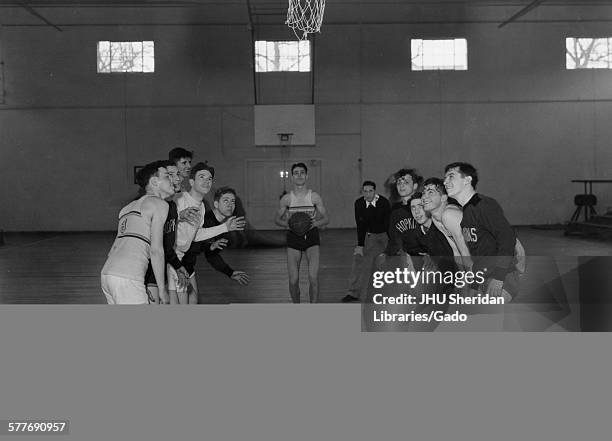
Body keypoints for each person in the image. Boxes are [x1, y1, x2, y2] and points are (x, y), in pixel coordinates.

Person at [171, 162, 246, 304]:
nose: (207, 181)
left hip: (185, 263)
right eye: (202, 177)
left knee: (192, 300)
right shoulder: (179, 199)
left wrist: (224, 229)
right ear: (192, 181)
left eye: (210, 178)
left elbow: (197, 236)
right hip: (174, 261)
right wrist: (179, 215)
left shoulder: (202, 209)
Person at [443, 162, 520, 300]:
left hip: (501, 278)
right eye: (445, 178)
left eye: (451, 176)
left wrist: (499, 277)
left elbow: (507, 239)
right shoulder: (466, 212)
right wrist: (473, 284)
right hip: (482, 277)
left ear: (467, 180)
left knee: (486, 317)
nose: (445, 182)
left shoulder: (484, 205)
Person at [101, 160, 173, 304]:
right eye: (167, 176)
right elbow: (156, 251)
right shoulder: (159, 204)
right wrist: (162, 290)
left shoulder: (126, 208)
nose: (172, 180)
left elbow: (118, 246)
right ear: (154, 182)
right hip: (128, 276)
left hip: (108, 274)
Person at [275, 162, 329, 303]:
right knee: (293, 280)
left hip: (311, 237)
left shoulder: (314, 197)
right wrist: (287, 224)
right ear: (292, 177)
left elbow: (326, 219)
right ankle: (297, 307)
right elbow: (277, 219)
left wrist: (313, 224)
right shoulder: (286, 199)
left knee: (313, 277)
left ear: (307, 176)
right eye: (296, 173)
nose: (299, 175)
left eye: (302, 173)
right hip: (293, 237)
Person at [143, 161, 197, 302]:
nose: (177, 179)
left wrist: (178, 267)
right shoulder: (151, 205)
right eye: (169, 175)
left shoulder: (171, 206)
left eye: (177, 174)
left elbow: (167, 246)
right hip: (144, 274)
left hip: (160, 271)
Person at [182, 187, 250, 287]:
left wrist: (229, 272)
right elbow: (189, 244)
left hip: (188, 265)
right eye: (225, 200)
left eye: (233, 201)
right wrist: (209, 246)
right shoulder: (204, 220)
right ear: (216, 204)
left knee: (192, 300)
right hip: (177, 263)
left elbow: (212, 255)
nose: (230, 204)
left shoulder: (224, 226)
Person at [342, 180, 390, 302]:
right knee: (359, 260)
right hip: (370, 236)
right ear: (362, 192)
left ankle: (390, 292)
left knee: (388, 262)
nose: (368, 194)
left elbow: (388, 223)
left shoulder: (384, 203)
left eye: (370, 191)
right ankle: (353, 292)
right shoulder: (359, 204)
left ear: (375, 191)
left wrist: (391, 243)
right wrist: (360, 245)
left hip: (385, 235)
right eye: (365, 191)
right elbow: (360, 225)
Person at [375, 168, 423, 270]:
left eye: (406, 182)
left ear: (415, 186)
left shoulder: (424, 206)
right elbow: (394, 239)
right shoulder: (395, 211)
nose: (401, 185)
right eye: (399, 183)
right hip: (406, 258)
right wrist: (386, 254)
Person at [421, 177, 472, 269]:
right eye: (423, 193)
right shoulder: (436, 218)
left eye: (430, 192)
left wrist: (469, 278)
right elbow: (456, 250)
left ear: (443, 197)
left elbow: (465, 251)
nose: (424, 197)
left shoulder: (449, 214)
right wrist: (462, 278)